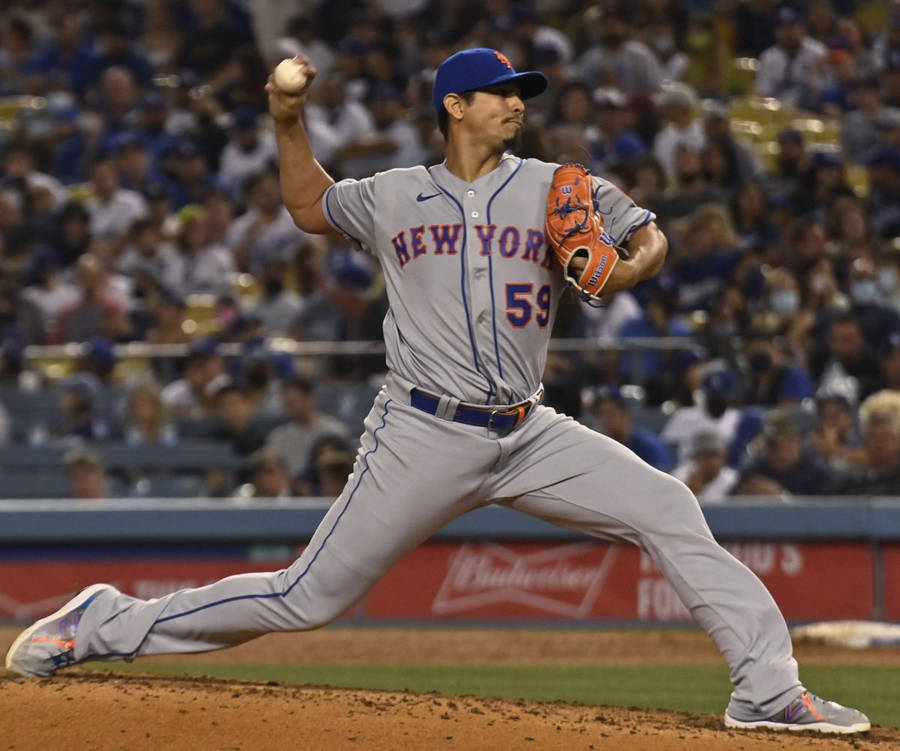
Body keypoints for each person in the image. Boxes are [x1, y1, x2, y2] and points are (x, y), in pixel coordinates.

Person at [5, 48, 869, 735]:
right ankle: (104, 621)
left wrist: (629, 267)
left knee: (668, 504)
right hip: (422, 431)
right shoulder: (393, 195)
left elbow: (649, 235)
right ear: (454, 106)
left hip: (529, 431)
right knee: (307, 596)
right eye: (500, 93)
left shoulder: (557, 185)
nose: (516, 103)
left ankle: (766, 690)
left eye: (521, 93)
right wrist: (288, 119)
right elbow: (308, 206)